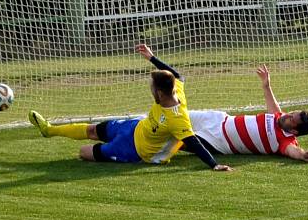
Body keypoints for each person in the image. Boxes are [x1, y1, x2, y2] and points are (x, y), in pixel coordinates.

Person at [29, 44, 233, 172]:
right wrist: (152, 58)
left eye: (152, 87)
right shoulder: (174, 90)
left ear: (160, 93)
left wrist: (214, 164)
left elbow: (194, 144)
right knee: (93, 130)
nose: (150, 89)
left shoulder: (177, 119)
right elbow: (176, 75)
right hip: (134, 127)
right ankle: (49, 130)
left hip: (134, 150)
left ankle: (103, 150)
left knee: (84, 152)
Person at [187, 65, 308, 163]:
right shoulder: (279, 117)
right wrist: (266, 85)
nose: (287, 115)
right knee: (177, 115)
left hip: (218, 141)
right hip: (217, 119)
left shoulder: (286, 140)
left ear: (294, 131)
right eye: (292, 113)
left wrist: (303, 155)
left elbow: (292, 150)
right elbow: (274, 107)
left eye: (292, 119)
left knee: (178, 139)